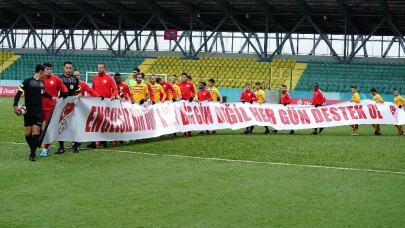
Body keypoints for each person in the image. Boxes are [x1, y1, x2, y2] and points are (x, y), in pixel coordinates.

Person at [13, 64, 58, 161]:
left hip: (38, 111)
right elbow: (18, 93)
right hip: (28, 111)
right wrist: (15, 105)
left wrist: (51, 97)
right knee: (28, 133)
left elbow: (43, 93)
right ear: (41, 72)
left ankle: (32, 154)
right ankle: (33, 148)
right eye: (45, 71)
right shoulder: (27, 81)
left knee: (36, 132)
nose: (46, 74)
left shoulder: (42, 83)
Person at [87, 62, 119, 149]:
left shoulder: (109, 78)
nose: (99, 69)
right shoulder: (95, 78)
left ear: (105, 68)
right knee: (95, 122)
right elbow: (92, 90)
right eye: (98, 68)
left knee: (104, 122)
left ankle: (104, 142)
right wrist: (89, 99)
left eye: (101, 68)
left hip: (106, 104)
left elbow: (115, 89)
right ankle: (94, 142)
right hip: (96, 103)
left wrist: (113, 95)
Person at [40, 62, 67, 157]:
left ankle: (45, 148)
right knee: (37, 127)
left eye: (50, 69)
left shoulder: (55, 79)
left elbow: (63, 88)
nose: (49, 71)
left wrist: (64, 94)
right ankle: (43, 140)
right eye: (47, 69)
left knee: (48, 128)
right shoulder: (39, 79)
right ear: (43, 70)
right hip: (39, 107)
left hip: (51, 108)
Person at [57, 61, 81, 154]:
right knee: (61, 125)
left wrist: (79, 94)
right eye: (66, 68)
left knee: (73, 125)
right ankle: (61, 147)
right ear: (63, 68)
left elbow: (78, 90)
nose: (68, 69)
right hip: (62, 105)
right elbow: (56, 91)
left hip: (72, 105)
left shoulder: (75, 79)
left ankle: (75, 144)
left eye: (70, 68)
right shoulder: (59, 79)